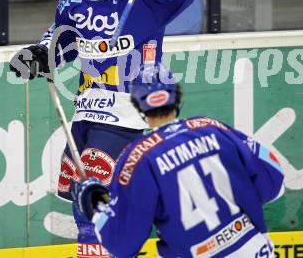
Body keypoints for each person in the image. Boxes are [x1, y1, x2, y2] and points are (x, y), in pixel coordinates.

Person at [9, 0, 202, 258]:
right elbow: (58, 44)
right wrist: (35, 56)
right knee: (86, 202)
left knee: (108, 197)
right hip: (87, 111)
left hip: (131, 113)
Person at [71, 62, 285, 258]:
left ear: (137, 104)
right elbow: (273, 179)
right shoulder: (213, 129)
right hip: (256, 250)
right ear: (177, 97)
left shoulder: (137, 158)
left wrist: (97, 206)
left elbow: (121, 243)